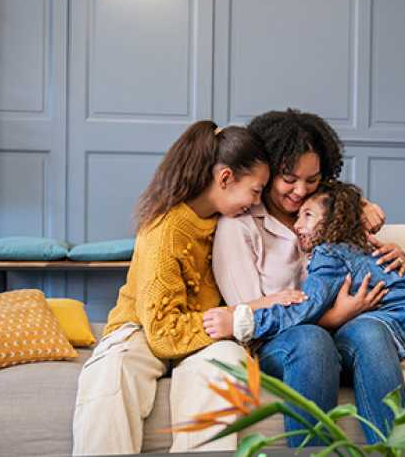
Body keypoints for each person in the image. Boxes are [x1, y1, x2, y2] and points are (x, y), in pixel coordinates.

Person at [208, 181, 405, 441]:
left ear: (334, 222)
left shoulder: (335, 251)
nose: (298, 223)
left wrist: (244, 321)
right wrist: (245, 319)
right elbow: (310, 307)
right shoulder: (244, 226)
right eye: (290, 180)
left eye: (307, 215)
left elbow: (309, 304)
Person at [205, 109, 405, 445]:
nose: (300, 190)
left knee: (371, 331)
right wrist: (332, 317)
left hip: (344, 337)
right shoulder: (239, 225)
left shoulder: (331, 212)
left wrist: (397, 255)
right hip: (282, 344)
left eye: (311, 179)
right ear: (267, 170)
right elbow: (248, 318)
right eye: (289, 178)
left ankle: (392, 452)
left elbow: (366, 262)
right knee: (311, 340)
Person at [72, 120, 270, 455]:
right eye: (255, 190)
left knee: (224, 367)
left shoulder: (234, 218)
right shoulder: (164, 230)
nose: (257, 201)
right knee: (112, 372)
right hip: (145, 325)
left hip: (210, 331)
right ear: (225, 178)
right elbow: (163, 334)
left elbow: (306, 203)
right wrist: (237, 315)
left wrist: (358, 207)